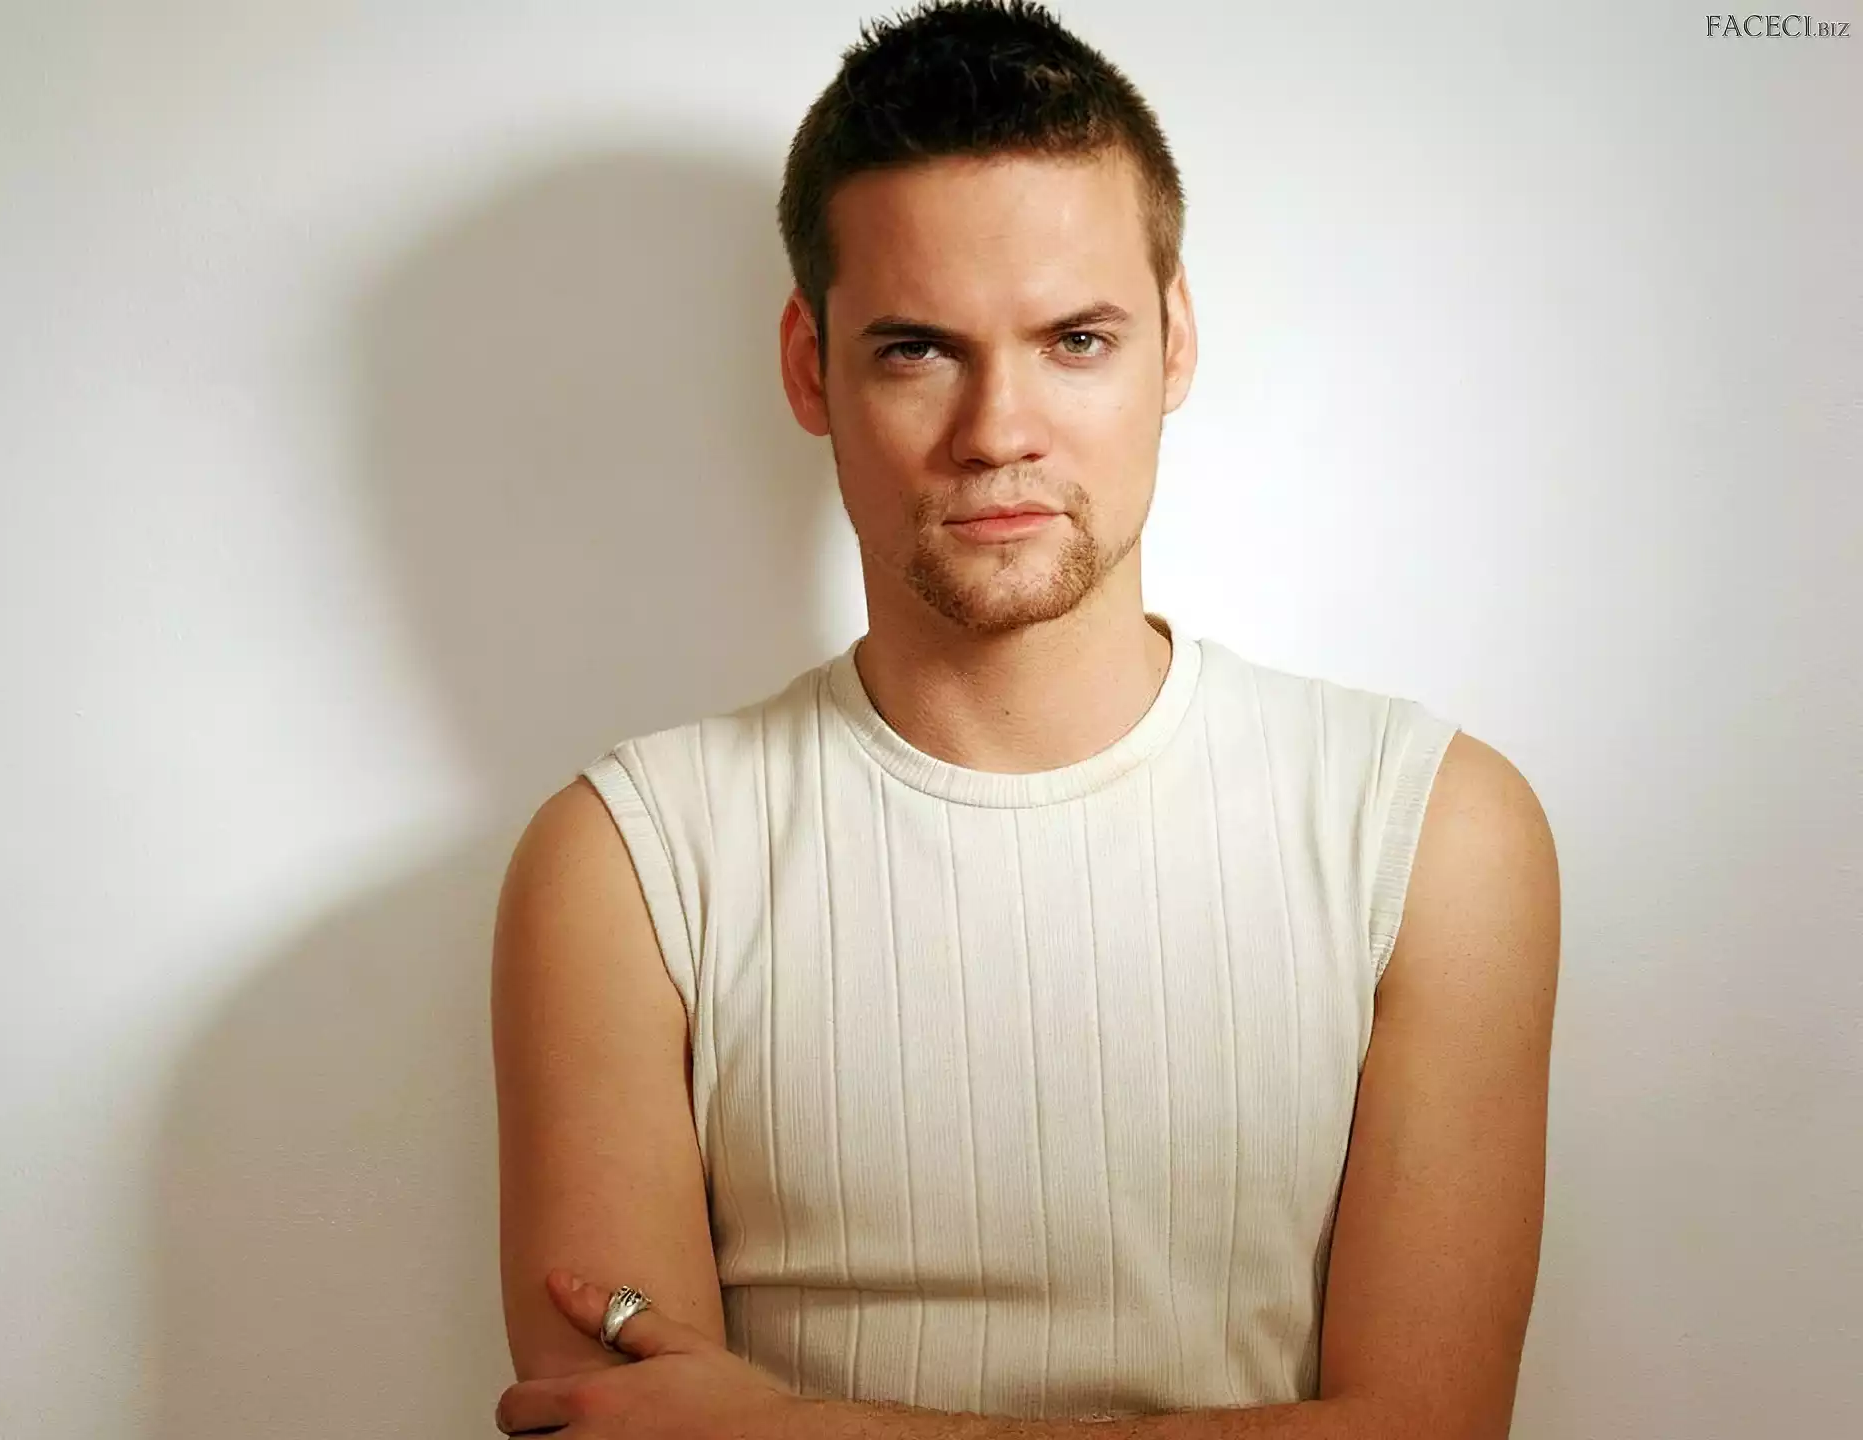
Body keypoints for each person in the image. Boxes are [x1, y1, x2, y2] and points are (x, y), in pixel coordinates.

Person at [488, 1, 1561, 1436]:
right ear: (810, 366)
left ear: (1174, 340)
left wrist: (801, 1428)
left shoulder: (1427, 831)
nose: (999, 428)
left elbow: (1432, 1432)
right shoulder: (626, 865)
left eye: (1076, 339)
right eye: (917, 349)